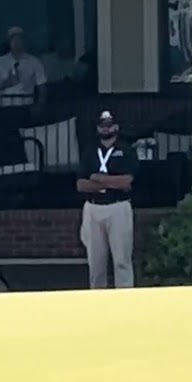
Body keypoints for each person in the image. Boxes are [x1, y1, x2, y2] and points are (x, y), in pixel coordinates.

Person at [75, 111, 137, 289]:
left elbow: (126, 182)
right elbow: (81, 185)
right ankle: (97, 299)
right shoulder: (89, 151)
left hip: (118, 207)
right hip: (93, 208)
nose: (106, 128)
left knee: (122, 259)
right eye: (102, 125)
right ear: (97, 128)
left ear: (116, 127)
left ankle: (125, 299)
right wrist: (111, 182)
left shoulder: (126, 150)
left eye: (109, 125)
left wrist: (98, 178)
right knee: (95, 262)